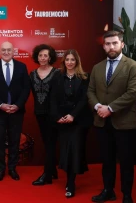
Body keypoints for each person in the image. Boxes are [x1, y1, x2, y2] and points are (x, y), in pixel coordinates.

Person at [88, 31, 136, 203]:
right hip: (102, 122)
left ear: (122, 44)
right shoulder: (97, 67)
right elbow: (90, 91)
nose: (111, 47)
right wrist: (98, 107)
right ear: (104, 46)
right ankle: (108, 191)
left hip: (124, 122)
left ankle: (127, 195)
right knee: (107, 160)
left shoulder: (134, 66)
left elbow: (133, 93)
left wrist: (110, 108)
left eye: (114, 43)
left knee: (126, 162)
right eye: (107, 44)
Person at [49, 49, 92, 198]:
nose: (69, 62)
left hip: (78, 121)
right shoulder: (57, 77)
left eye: (72, 59)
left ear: (77, 62)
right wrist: (57, 117)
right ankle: (69, 179)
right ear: (63, 62)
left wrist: (73, 115)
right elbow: (52, 99)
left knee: (74, 151)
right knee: (66, 152)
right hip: (62, 121)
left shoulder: (85, 77)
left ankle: (71, 183)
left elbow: (84, 100)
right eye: (67, 59)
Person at [0, 41, 30, 181]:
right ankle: (0, 169)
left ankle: (12, 168)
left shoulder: (22, 67)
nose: (6, 52)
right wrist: (0, 105)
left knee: (14, 141)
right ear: (0, 51)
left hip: (16, 111)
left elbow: (25, 88)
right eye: (3, 50)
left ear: (13, 51)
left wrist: (17, 105)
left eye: (8, 50)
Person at [30, 44, 61, 186]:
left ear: (50, 58)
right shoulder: (32, 74)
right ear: (37, 57)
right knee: (47, 142)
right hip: (39, 113)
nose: (43, 58)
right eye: (40, 55)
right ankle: (52, 170)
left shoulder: (57, 73)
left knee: (50, 143)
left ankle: (47, 175)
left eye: (45, 56)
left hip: (53, 114)